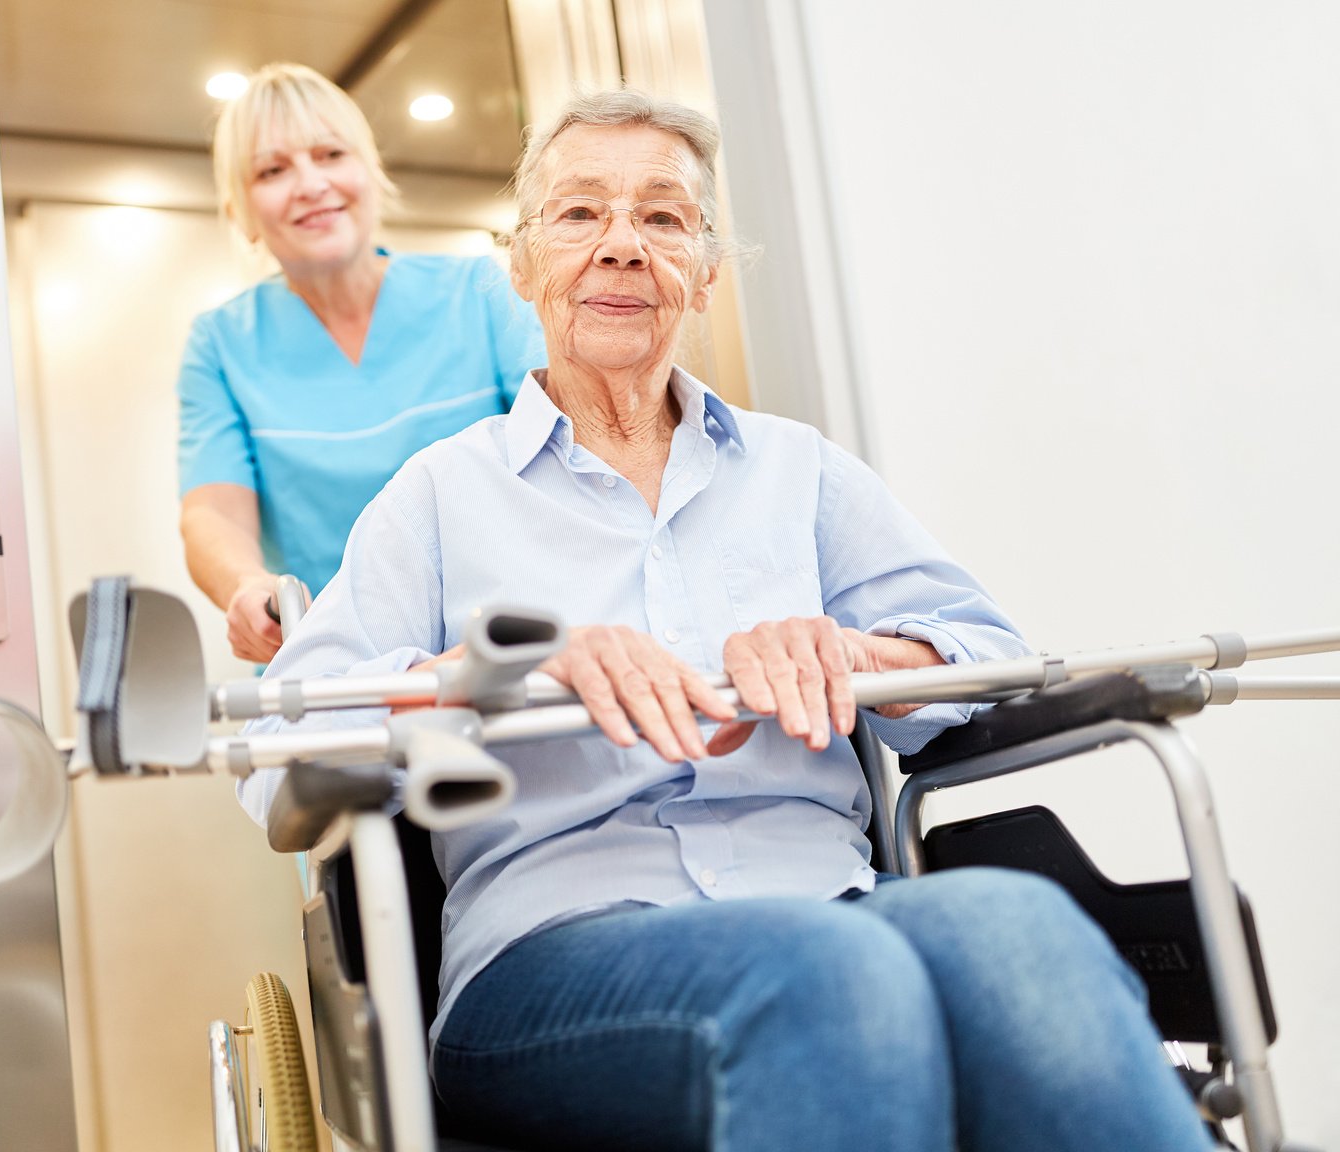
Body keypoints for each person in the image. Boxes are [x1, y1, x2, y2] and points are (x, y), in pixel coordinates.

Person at [244, 91, 1213, 1151]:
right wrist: (495, 674)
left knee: (1026, 932)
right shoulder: (440, 495)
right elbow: (279, 745)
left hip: (833, 898)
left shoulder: (799, 472)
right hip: (556, 953)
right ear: (520, 265)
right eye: (579, 216)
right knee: (832, 977)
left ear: (706, 271)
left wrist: (859, 651)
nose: (622, 247)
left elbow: (994, 659)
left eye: (663, 219)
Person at [177, 62, 546, 663]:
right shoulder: (221, 343)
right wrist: (244, 585)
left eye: (329, 155)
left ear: (370, 172)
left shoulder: (478, 292)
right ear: (240, 209)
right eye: (272, 170)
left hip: (497, 650)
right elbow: (212, 512)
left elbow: (571, 448)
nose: (309, 184)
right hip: (335, 667)